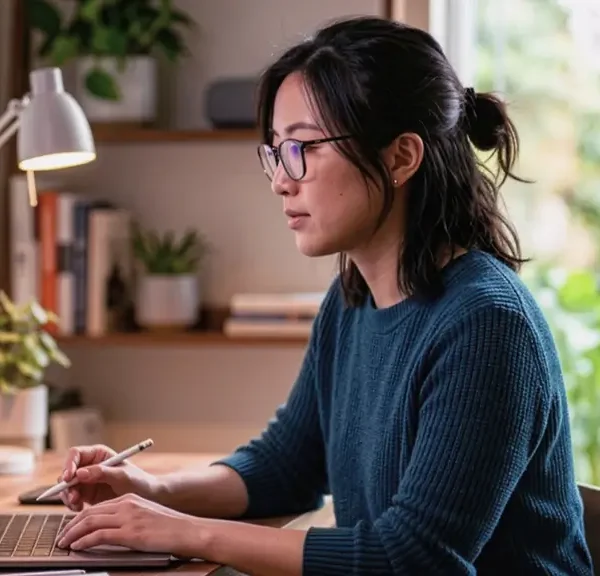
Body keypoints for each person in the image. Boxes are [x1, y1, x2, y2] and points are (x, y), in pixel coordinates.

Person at [54, 15, 593, 576]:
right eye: (276, 151)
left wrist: (184, 532)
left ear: (401, 157)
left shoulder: (486, 324)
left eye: (304, 147)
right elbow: (287, 467)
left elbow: (412, 558)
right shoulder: (353, 300)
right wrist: (153, 490)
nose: (282, 179)